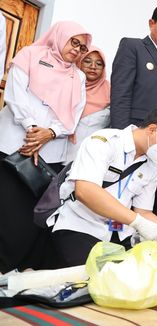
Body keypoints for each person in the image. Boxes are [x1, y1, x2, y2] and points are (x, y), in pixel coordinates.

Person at [47, 107, 157, 267]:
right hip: (81, 227)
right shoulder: (104, 142)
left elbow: (144, 212)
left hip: (119, 233)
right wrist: (137, 222)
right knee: (96, 279)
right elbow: (85, 190)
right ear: (152, 129)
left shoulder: (153, 166)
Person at [0, 21, 91, 273]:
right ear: (61, 36)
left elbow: (72, 116)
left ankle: (19, 272)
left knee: (32, 218)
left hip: (49, 155)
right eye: (74, 42)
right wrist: (33, 130)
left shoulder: (78, 76)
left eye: (82, 47)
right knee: (5, 210)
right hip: (12, 146)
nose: (77, 50)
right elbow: (14, 94)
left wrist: (49, 133)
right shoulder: (30, 54)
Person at [110, 1, 157, 222]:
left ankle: (152, 246)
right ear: (151, 23)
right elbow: (121, 94)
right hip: (138, 139)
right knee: (126, 195)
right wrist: (122, 139)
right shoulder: (132, 47)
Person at [65, 45, 110, 163]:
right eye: (87, 61)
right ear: (79, 62)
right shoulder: (66, 84)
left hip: (88, 156)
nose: (93, 67)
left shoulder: (111, 92)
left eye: (99, 64)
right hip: (56, 149)